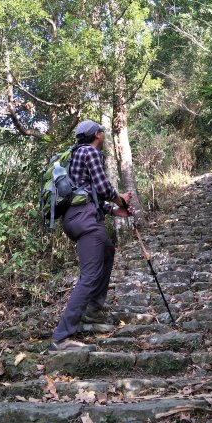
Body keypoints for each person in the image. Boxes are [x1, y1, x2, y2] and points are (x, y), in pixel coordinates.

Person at [49, 119, 132, 352]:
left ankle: (94, 309)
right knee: (89, 275)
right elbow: (105, 189)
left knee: (107, 250)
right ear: (97, 134)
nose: (103, 137)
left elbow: (89, 195)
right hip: (85, 220)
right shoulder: (91, 152)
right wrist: (121, 199)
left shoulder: (75, 155)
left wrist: (115, 210)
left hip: (76, 218)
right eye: (103, 134)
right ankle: (61, 338)